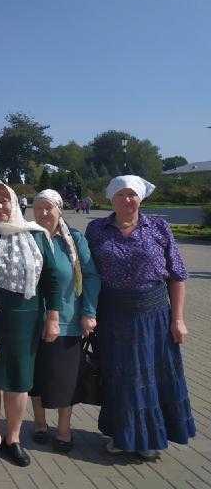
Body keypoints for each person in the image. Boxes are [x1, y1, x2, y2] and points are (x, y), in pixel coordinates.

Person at [86, 175, 195, 460]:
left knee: (149, 374)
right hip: (112, 315)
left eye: (132, 195)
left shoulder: (158, 227)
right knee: (119, 376)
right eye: (121, 195)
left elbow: (177, 274)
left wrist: (178, 319)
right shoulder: (96, 229)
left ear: (141, 198)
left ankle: (149, 438)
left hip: (153, 314)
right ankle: (123, 435)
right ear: (111, 198)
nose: (127, 200)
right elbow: (85, 273)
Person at [0, 182, 60, 467]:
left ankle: (13, 437)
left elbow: (51, 278)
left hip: (27, 318)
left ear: (14, 202)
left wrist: (53, 317)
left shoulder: (36, 235)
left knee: (19, 380)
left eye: (4, 200)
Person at [29, 189, 100, 453]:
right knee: (35, 375)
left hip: (69, 319)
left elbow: (91, 275)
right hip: (33, 319)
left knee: (65, 378)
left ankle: (64, 429)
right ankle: (39, 423)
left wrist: (89, 312)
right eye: (39, 208)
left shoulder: (74, 240)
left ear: (60, 210)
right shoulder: (28, 238)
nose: (44, 213)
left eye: (49, 208)